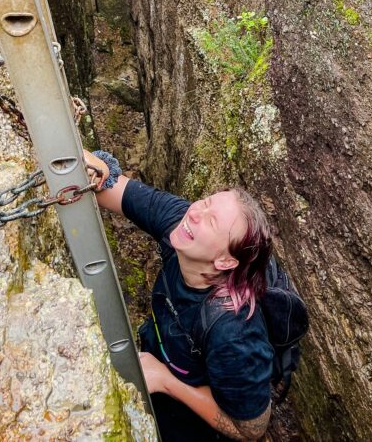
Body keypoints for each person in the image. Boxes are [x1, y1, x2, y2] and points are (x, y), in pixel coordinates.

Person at [83, 149, 274, 442]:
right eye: (206, 203)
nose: (196, 213)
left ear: (224, 262)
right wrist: (87, 163)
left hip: (193, 421)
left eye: (212, 222)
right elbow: (109, 188)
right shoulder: (183, 223)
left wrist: (166, 381)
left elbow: (250, 429)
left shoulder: (234, 333)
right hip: (158, 355)